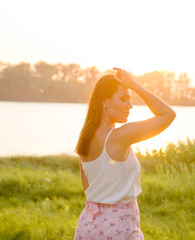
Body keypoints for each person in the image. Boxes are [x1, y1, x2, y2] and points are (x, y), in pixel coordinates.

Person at [74, 68, 176, 239]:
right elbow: (168, 114)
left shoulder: (85, 138)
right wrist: (135, 86)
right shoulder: (119, 137)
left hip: (88, 225)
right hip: (119, 228)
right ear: (103, 101)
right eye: (123, 99)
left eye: (130, 100)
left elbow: (89, 190)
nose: (130, 106)